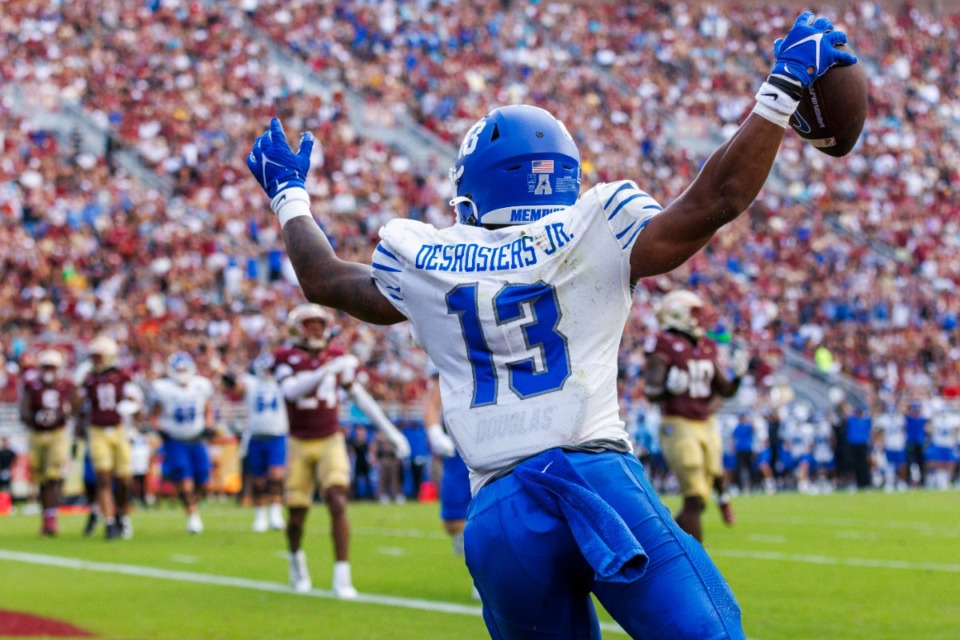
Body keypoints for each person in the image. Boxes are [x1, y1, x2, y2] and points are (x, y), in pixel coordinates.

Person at [247, 12, 856, 637]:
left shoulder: (424, 255)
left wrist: (289, 196)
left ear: (474, 185)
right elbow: (717, 200)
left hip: (500, 510)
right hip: (596, 477)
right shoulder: (593, 224)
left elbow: (322, 280)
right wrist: (779, 91)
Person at [274, 303, 410, 597]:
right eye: (310, 324)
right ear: (298, 328)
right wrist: (325, 369)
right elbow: (290, 391)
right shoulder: (287, 357)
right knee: (297, 515)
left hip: (330, 438)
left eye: (319, 325)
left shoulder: (336, 357)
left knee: (337, 499)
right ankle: (296, 560)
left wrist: (391, 431)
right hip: (298, 441)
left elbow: (361, 400)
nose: (316, 330)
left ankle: (342, 575)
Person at [643, 289, 748, 541]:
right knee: (693, 496)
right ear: (676, 314)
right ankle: (696, 561)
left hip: (705, 421)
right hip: (678, 422)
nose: (700, 319)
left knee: (702, 496)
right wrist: (666, 389)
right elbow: (650, 391)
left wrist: (739, 376)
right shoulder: (663, 344)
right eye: (694, 313)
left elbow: (724, 389)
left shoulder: (706, 346)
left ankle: (664, 542)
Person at [75, 335, 143, 540]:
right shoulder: (88, 379)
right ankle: (110, 521)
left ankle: (121, 514)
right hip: (97, 431)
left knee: (125, 480)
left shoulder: (122, 376)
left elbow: (137, 405)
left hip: (119, 429)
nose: (95, 361)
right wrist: (77, 386)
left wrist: (133, 413)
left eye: (98, 356)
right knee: (103, 479)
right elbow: (75, 408)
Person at [423, 367, 478, 599]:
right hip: (459, 442)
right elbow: (434, 400)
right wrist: (435, 432)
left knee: (491, 514)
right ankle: (468, 542)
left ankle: (483, 575)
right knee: (453, 523)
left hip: (493, 435)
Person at [147, 351, 216, 534]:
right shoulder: (163, 388)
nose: (182, 372)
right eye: (178, 369)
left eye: (184, 368)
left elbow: (208, 409)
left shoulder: (201, 385)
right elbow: (154, 416)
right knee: (185, 481)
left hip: (197, 439)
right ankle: (192, 515)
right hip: (176, 440)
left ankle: (194, 508)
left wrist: (209, 426)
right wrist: (160, 430)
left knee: (204, 482)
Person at [223, 353, 288, 532]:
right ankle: (260, 515)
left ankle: (275, 512)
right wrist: (227, 377)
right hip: (256, 436)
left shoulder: (281, 383)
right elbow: (236, 388)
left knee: (276, 476)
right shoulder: (251, 383)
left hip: (276, 436)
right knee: (259, 481)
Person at [19, 349, 75, 535]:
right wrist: (35, 419)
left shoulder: (66, 385)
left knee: (53, 475)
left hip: (57, 433)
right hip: (37, 434)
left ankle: (51, 516)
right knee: (42, 478)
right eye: (46, 367)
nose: (49, 371)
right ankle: (48, 516)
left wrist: (65, 412)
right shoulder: (32, 385)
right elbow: (24, 412)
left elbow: (76, 405)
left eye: (52, 367)